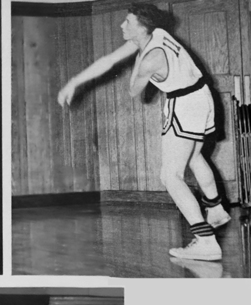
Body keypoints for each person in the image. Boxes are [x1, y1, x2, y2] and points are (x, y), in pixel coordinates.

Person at [57, 3, 229, 261]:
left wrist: (137, 63)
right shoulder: (157, 34)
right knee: (194, 157)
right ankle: (215, 210)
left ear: (142, 27)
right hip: (202, 97)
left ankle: (205, 240)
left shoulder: (150, 58)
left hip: (184, 104)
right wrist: (74, 81)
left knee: (170, 176)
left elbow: (134, 91)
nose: (121, 25)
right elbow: (109, 60)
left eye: (128, 22)